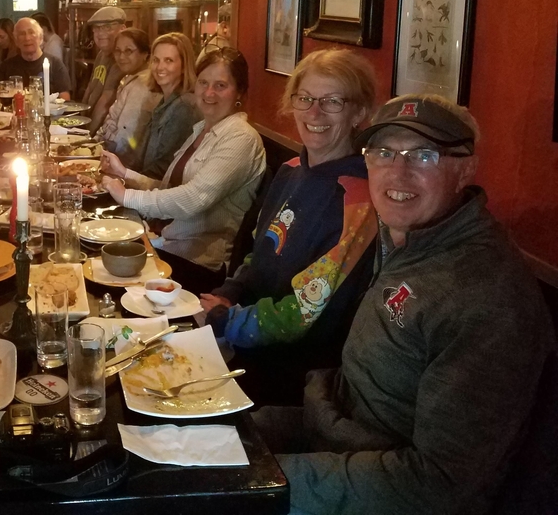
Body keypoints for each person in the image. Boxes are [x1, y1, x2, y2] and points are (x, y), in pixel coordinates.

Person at [254, 95, 554, 515]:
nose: (398, 171)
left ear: (465, 169)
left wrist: (264, 482)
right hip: (328, 436)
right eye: (384, 152)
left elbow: (439, 485)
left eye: (424, 155)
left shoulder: (486, 298)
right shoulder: (402, 237)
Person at [201, 49, 379, 405]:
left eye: (332, 102)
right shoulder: (291, 170)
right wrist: (230, 291)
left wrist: (227, 320)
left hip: (292, 378)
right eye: (306, 99)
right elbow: (261, 251)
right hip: (241, 344)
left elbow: (308, 311)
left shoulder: (359, 200)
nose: (314, 113)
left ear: (358, 112)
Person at [101, 48, 266, 271]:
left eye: (220, 85)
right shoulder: (202, 129)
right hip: (166, 243)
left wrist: (126, 196)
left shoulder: (241, 138)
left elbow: (193, 198)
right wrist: (124, 174)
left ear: (239, 92)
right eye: (203, 82)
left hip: (197, 264)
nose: (208, 93)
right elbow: (171, 189)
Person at [135, 32, 201, 178]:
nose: (160, 67)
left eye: (169, 60)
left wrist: (126, 183)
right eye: (156, 60)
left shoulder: (184, 107)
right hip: (144, 186)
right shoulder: (165, 101)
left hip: (158, 194)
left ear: (184, 66)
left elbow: (165, 168)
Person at [98, 27, 160, 171]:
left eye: (128, 51)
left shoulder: (141, 86)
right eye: (118, 51)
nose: (121, 57)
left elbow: (126, 137)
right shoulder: (132, 78)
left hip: (119, 165)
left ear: (145, 54)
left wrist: (99, 156)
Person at [0, 17, 71, 97]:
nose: (27, 38)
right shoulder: (6, 67)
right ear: (16, 40)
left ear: (40, 38)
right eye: (22, 34)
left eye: (31, 32)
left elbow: (65, 98)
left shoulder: (56, 64)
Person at [81, 6, 125, 133]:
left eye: (107, 27)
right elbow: (91, 87)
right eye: (97, 28)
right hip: (88, 123)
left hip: (104, 131)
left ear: (122, 29)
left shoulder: (120, 60)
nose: (100, 33)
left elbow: (105, 103)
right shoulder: (101, 54)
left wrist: (89, 135)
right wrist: (80, 120)